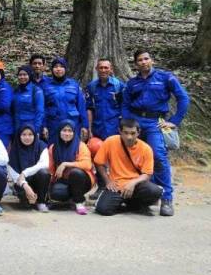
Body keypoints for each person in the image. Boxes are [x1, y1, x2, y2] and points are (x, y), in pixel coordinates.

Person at [122, 49, 190, 216]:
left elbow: (183, 98)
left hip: (156, 122)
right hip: (136, 122)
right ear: (136, 64)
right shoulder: (132, 83)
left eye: (146, 59)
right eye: (140, 60)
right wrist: (128, 123)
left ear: (151, 60)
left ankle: (166, 199)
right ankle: (146, 198)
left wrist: (174, 121)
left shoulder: (165, 77)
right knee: (136, 158)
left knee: (158, 156)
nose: (144, 62)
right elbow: (125, 104)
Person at [94, 119, 163, 216]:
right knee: (103, 209)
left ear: (138, 133)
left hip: (136, 185)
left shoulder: (146, 148)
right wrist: (107, 181)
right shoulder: (110, 141)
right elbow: (98, 162)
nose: (129, 137)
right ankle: (131, 206)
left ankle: (134, 204)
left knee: (155, 191)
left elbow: (147, 174)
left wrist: (133, 183)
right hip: (117, 185)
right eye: (125, 133)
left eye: (133, 133)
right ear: (120, 131)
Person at [85, 58, 124, 200]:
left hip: (114, 128)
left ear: (111, 69)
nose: (103, 70)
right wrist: (89, 129)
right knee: (98, 159)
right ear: (96, 69)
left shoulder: (118, 86)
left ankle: (116, 186)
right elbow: (89, 109)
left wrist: (123, 128)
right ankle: (101, 186)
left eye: (106, 68)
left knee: (115, 158)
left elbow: (123, 107)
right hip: (98, 128)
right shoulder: (92, 87)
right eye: (100, 68)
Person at [47, 120, 94, 215]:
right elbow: (51, 169)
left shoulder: (81, 145)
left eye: (70, 131)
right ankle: (70, 198)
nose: (67, 133)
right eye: (64, 130)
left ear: (74, 132)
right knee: (56, 194)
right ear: (59, 131)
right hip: (64, 179)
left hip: (82, 180)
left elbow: (87, 164)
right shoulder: (53, 147)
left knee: (75, 172)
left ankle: (79, 202)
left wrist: (65, 164)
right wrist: (48, 189)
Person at [42, 57, 88, 144]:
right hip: (53, 124)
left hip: (73, 123)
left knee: (73, 149)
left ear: (65, 69)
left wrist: (85, 126)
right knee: (53, 149)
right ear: (52, 70)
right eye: (55, 67)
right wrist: (44, 126)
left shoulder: (74, 85)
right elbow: (43, 108)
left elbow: (81, 106)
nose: (58, 69)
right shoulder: (46, 86)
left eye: (61, 66)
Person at [7, 124, 50, 212]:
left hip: (37, 181)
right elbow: (14, 174)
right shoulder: (14, 149)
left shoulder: (41, 146)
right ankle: (24, 196)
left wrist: (25, 173)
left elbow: (45, 164)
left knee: (43, 173)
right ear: (19, 136)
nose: (27, 137)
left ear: (35, 135)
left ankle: (41, 202)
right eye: (24, 134)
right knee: (26, 205)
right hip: (21, 182)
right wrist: (25, 186)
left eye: (30, 134)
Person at [12, 65, 45, 135]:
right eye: (20, 75)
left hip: (31, 128)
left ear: (29, 75)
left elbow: (40, 112)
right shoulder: (16, 91)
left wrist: (36, 130)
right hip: (17, 128)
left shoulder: (36, 90)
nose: (22, 77)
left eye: (25, 74)